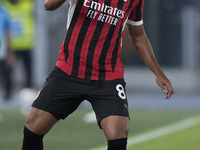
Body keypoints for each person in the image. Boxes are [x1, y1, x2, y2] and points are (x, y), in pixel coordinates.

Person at [22, 0, 174, 150]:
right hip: (69, 70)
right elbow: (49, 5)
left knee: (118, 134)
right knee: (33, 127)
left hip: (108, 76)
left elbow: (138, 36)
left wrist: (158, 73)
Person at [2, 0, 34, 91]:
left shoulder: (27, 4)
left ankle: (29, 90)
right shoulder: (4, 6)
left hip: (26, 44)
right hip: (11, 46)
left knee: (28, 70)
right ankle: (7, 93)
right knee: (8, 71)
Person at [0, 0, 14, 100]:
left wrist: (10, 52)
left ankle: (7, 99)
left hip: (2, 51)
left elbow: (8, 32)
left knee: (6, 75)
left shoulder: (4, 11)